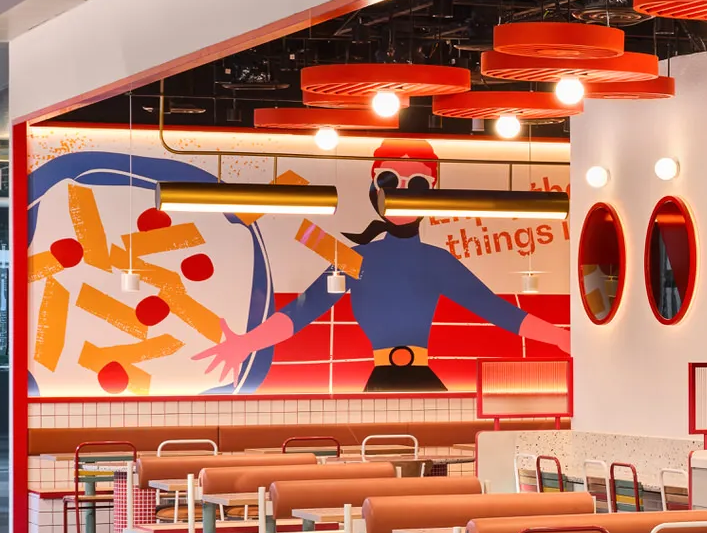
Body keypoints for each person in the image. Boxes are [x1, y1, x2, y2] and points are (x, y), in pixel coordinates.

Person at [195, 139, 567, 390]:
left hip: (421, 381)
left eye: (417, 183)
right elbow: (299, 313)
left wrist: (565, 339)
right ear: (374, 188)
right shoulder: (355, 261)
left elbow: (500, 312)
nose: (403, 191)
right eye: (389, 180)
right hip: (385, 381)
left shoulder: (436, 262)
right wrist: (246, 344)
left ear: (433, 192)